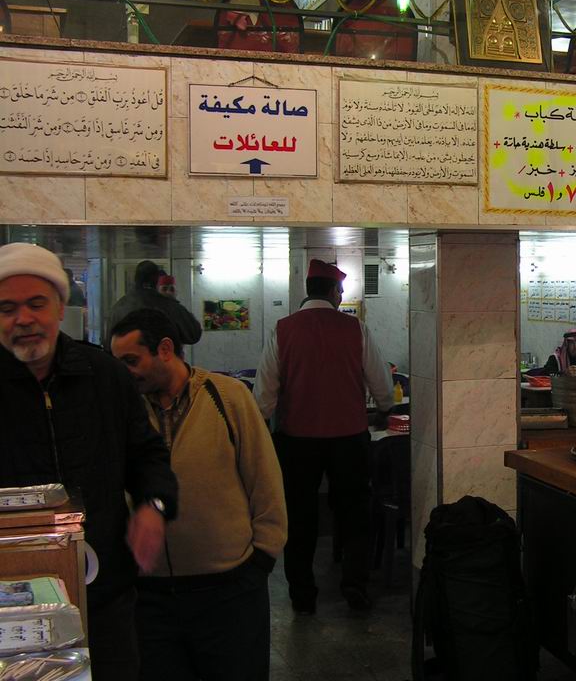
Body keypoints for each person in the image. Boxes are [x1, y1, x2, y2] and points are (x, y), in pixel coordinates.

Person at [0, 243, 178, 681]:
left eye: (36, 304)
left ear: (61, 308)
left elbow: (148, 456)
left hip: (104, 594)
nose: (23, 319)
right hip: (11, 601)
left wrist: (153, 507)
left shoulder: (105, 375)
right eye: (7, 308)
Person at [110, 309, 286, 681]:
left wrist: (260, 561)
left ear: (165, 349)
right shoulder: (124, 411)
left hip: (230, 591)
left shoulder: (228, 398)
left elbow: (266, 482)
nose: (124, 373)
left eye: (131, 361)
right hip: (151, 598)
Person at [254, 259, 393, 614]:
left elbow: (263, 397)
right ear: (333, 291)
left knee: (300, 517)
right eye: (340, 291)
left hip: (296, 441)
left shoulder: (282, 330)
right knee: (354, 513)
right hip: (349, 439)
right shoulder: (356, 329)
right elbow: (382, 384)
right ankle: (355, 587)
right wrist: (384, 407)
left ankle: (302, 594)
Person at [106, 260, 201, 350]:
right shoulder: (170, 306)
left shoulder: (118, 308)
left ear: (136, 279)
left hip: (127, 360)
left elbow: (109, 344)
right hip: (163, 359)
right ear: (156, 280)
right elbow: (193, 334)